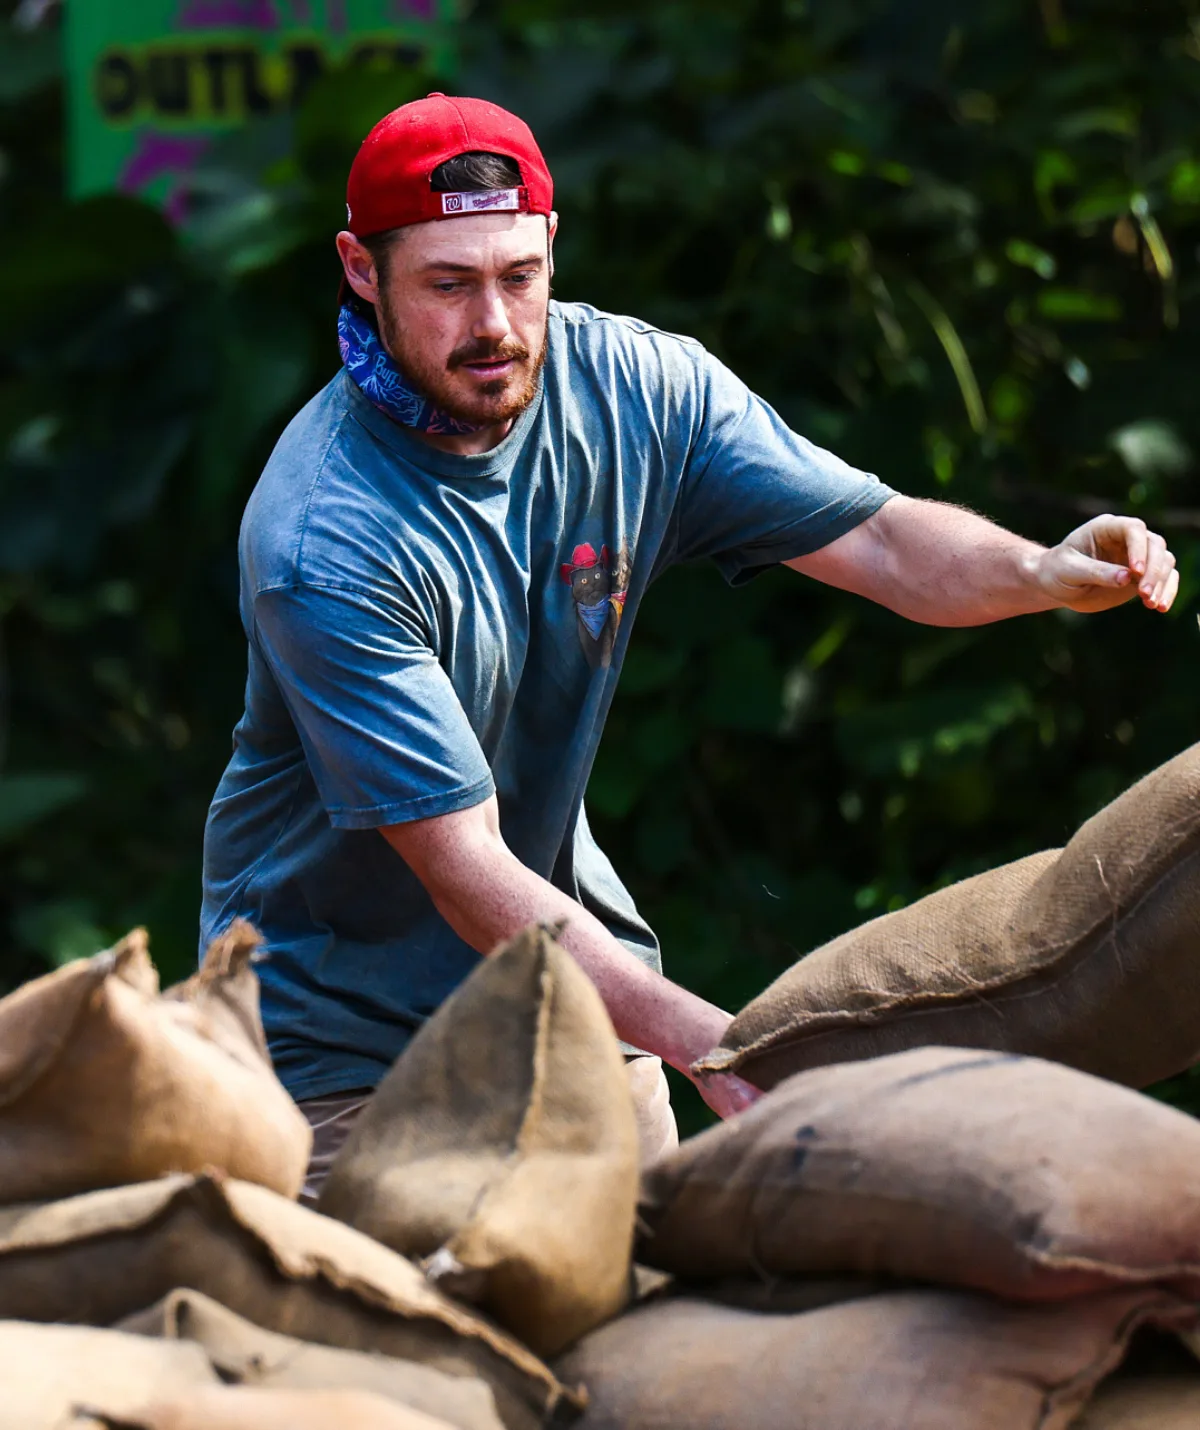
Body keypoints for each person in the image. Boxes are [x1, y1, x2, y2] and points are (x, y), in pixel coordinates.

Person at [200, 93, 1179, 1199]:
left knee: (651, 1342)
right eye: (448, 283)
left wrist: (1039, 572)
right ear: (361, 270)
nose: (496, 325)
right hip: (341, 1050)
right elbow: (467, 871)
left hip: (577, 998)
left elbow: (888, 540)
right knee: (411, 1362)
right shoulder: (323, 537)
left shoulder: (638, 388)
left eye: (520, 276)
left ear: (554, 248)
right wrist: (712, 1042)